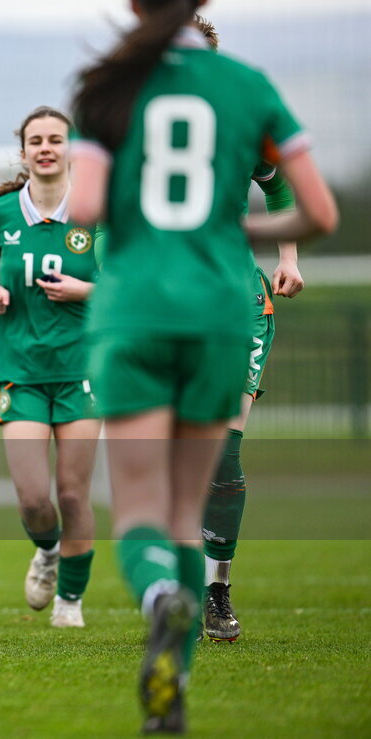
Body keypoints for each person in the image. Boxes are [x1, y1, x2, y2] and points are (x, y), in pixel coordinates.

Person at [70, 1, 337, 732]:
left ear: (132, 8)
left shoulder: (107, 85)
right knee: (188, 509)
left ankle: (160, 596)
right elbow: (318, 211)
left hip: (134, 308)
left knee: (140, 507)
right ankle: (176, 679)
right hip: (222, 306)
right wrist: (229, 224)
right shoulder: (248, 85)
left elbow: (87, 206)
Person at [192, 16, 306, 644]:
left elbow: (285, 186)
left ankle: (216, 590)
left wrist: (287, 257)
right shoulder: (135, 130)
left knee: (224, 455)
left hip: (237, 304)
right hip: (164, 309)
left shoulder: (242, 126)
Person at [0, 107, 100, 629]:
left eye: (56, 139)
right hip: (19, 370)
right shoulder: (2, 213)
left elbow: (130, 285)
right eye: (36, 140)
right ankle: (46, 551)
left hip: (82, 371)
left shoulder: (97, 212)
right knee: (35, 498)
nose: (46, 148)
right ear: (23, 151)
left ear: (70, 149)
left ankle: (71, 600)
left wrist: (82, 290)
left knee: (73, 492)